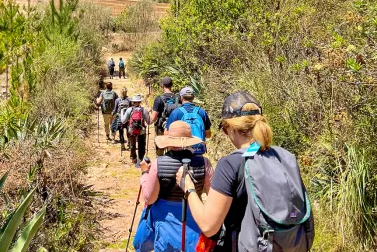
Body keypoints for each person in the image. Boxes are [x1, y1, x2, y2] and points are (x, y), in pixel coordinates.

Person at [176, 91, 314, 252]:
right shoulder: (285, 156)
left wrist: (189, 188)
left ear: (230, 129)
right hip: (291, 243)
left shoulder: (230, 164)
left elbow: (208, 226)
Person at [133, 121, 215, 252]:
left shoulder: (158, 163)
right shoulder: (204, 163)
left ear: (169, 141)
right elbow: (213, 197)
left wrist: (144, 173)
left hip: (166, 223)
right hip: (194, 220)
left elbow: (149, 198)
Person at [166, 87, 211, 155]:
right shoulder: (202, 112)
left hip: (181, 151)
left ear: (181, 98)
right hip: (198, 151)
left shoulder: (176, 113)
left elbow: (166, 133)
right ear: (193, 97)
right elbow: (208, 135)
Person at [150, 76, 180, 156]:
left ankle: (160, 165)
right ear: (172, 85)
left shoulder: (159, 99)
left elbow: (153, 118)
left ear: (162, 86)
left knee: (160, 150)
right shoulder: (178, 98)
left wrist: (149, 113)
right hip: (175, 128)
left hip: (161, 128)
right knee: (173, 151)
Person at [121, 94, 150, 166]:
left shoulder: (129, 110)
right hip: (141, 131)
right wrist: (149, 113)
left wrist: (122, 112)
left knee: (132, 145)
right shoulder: (143, 110)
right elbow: (149, 122)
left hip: (132, 130)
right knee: (141, 146)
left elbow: (123, 121)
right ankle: (139, 161)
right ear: (140, 102)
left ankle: (134, 158)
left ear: (133, 102)